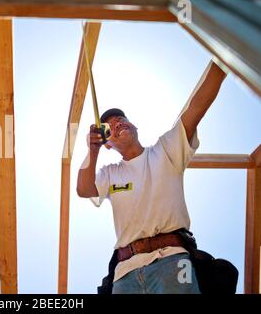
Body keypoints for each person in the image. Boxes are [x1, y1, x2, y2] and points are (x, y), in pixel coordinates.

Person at [76, 60, 227, 294]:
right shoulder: (110, 174)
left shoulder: (166, 150)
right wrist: (92, 150)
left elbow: (196, 108)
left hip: (173, 261)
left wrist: (225, 57)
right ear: (108, 144)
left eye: (121, 119)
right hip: (124, 275)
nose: (118, 124)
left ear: (134, 125)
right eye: (110, 127)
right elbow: (84, 189)